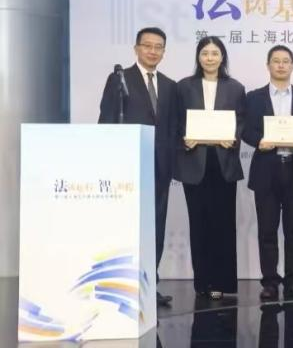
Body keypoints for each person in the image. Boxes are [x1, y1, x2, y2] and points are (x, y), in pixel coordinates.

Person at [97, 26, 179, 306]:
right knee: (126, 227)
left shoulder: (170, 85)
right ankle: (123, 286)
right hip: (128, 167)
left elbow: (173, 127)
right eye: (147, 46)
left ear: (164, 52)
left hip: (160, 169)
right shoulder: (120, 79)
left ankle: (149, 285)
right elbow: (107, 121)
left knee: (155, 228)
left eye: (158, 47)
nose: (153, 51)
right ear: (136, 48)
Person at [241, 45, 293, 301]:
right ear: (268, 65)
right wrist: (259, 141)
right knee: (267, 231)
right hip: (266, 169)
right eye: (276, 61)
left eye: (286, 61)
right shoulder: (254, 97)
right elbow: (246, 130)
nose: (281, 65)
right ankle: (270, 282)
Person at [174, 36, 246, 299]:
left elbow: (241, 121)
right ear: (198, 57)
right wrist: (184, 138)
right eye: (205, 53)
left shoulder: (235, 88)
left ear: (222, 57)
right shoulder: (184, 86)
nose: (210, 58)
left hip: (223, 162)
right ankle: (202, 282)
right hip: (194, 162)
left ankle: (222, 282)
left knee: (223, 223)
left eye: (215, 53)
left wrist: (233, 137)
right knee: (199, 223)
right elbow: (176, 121)